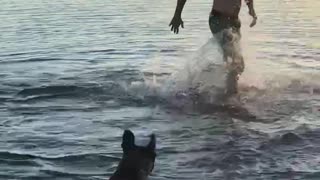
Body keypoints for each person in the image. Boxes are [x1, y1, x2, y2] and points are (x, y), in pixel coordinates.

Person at [169, 0, 257, 95]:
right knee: (236, 63)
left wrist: (251, 9)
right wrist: (177, 15)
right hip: (218, 20)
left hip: (234, 22)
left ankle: (215, 87)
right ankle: (230, 98)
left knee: (234, 63)